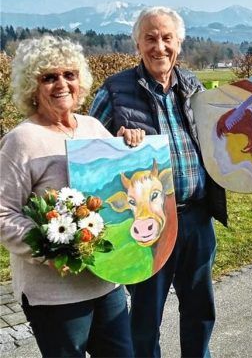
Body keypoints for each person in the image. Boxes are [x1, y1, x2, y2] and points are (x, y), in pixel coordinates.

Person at [90, 6, 252, 358]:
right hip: (148, 223)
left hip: (196, 218)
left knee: (199, 310)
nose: (159, 47)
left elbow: (220, 145)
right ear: (137, 44)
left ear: (179, 43)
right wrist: (116, 145)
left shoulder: (194, 87)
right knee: (145, 317)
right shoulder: (115, 91)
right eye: (150, 38)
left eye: (167, 38)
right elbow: (90, 152)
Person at [0, 36, 144, 357]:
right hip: (55, 295)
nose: (62, 84)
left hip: (106, 281)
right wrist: (51, 249)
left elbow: (118, 190)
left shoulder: (93, 127)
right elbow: (3, 214)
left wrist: (129, 147)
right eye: (49, 77)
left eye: (69, 74)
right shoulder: (22, 140)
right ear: (32, 87)